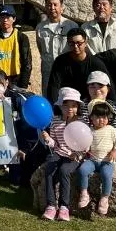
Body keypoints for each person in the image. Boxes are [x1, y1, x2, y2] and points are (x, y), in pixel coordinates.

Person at [40, 87, 83, 222]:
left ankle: (64, 207)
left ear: (77, 107)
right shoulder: (55, 121)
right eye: (66, 106)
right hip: (59, 153)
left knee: (64, 170)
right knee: (49, 169)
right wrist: (48, 139)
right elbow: (55, 143)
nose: (70, 109)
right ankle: (51, 205)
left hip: (74, 155)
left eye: (73, 106)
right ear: (60, 106)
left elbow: (85, 142)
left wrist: (76, 153)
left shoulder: (81, 122)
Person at [77, 99, 116, 216]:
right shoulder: (89, 131)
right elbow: (86, 143)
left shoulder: (111, 130)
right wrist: (85, 149)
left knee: (106, 175)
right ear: (91, 117)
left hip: (107, 161)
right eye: (98, 117)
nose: (101, 120)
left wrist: (115, 151)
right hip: (92, 160)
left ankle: (104, 198)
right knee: (82, 170)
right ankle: (84, 193)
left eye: (104, 117)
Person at [47, 28, 110, 104]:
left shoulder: (95, 63)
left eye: (79, 43)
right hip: (67, 103)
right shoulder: (60, 61)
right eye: (72, 43)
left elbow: (107, 86)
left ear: (85, 43)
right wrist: (54, 107)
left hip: (89, 103)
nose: (75, 46)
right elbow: (53, 86)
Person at [0, 5, 32, 89]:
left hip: (17, 80)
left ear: (14, 19)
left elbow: (27, 63)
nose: (5, 20)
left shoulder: (21, 37)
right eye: (2, 17)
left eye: (8, 17)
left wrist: (23, 85)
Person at [36, 0, 78, 93]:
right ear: (46, 7)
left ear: (61, 7)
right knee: (49, 100)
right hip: (48, 71)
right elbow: (40, 48)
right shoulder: (40, 28)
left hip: (67, 71)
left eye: (55, 5)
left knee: (68, 100)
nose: (52, 8)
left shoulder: (72, 26)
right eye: (49, 5)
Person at [85, 70, 116, 136]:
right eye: (92, 86)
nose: (97, 90)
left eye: (101, 86)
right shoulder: (79, 106)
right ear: (88, 88)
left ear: (108, 89)